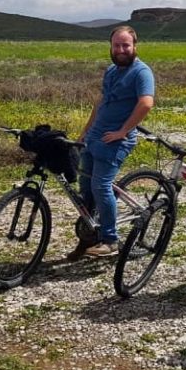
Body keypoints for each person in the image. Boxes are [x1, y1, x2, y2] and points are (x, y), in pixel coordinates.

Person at [68, 25, 155, 259]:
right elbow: (101, 102)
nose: (121, 49)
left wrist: (123, 131)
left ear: (135, 46)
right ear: (111, 47)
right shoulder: (111, 70)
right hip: (95, 137)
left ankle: (110, 239)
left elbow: (146, 103)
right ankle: (89, 238)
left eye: (126, 45)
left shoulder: (141, 72)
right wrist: (86, 131)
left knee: (100, 186)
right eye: (117, 45)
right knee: (86, 190)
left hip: (115, 141)